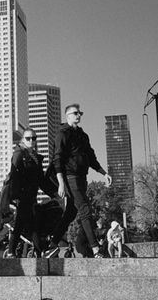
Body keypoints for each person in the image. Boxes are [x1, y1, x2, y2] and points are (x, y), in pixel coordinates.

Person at [47, 104, 112, 258]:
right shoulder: (62, 133)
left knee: (70, 213)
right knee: (84, 210)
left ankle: (52, 243)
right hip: (70, 177)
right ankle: (95, 248)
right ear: (67, 116)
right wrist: (61, 183)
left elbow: (90, 157)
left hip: (82, 177)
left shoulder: (83, 135)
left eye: (80, 113)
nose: (78, 115)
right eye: (75, 113)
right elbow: (57, 159)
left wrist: (103, 173)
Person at [6, 128, 50, 258]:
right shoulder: (19, 154)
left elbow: (41, 180)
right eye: (28, 138)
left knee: (23, 224)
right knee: (31, 224)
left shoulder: (36, 158)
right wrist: (13, 198)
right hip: (22, 195)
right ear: (23, 140)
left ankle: (11, 251)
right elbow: (14, 175)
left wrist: (55, 193)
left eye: (34, 138)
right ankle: (38, 251)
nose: (31, 141)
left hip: (31, 196)